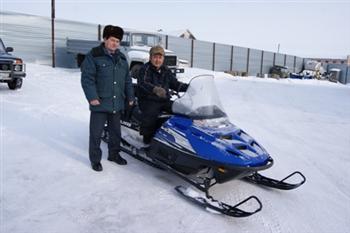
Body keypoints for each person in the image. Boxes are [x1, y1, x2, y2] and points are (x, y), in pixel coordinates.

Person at [81, 25, 134, 172]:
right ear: (104, 39)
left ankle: (114, 154)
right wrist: (92, 97)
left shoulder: (122, 58)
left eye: (117, 41)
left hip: (117, 103)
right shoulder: (94, 55)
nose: (115, 43)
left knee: (115, 132)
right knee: (96, 133)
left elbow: (127, 80)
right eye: (112, 40)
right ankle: (95, 159)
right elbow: (87, 79)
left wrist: (130, 97)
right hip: (100, 102)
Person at [137, 45, 188, 144]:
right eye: (155, 57)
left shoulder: (166, 70)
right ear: (150, 57)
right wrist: (155, 89)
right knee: (151, 115)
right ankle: (147, 140)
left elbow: (175, 83)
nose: (157, 60)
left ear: (163, 58)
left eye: (160, 58)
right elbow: (142, 83)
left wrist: (189, 87)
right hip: (148, 100)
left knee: (181, 109)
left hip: (164, 100)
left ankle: (180, 136)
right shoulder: (145, 69)